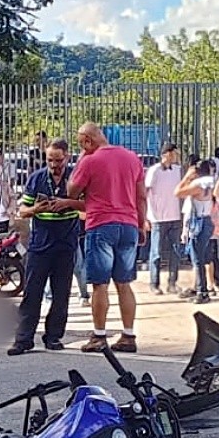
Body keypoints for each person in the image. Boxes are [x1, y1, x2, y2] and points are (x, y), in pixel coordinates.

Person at [68, 123, 146, 354]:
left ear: (87, 140)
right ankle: (129, 335)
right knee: (124, 283)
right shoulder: (132, 158)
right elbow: (140, 196)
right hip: (129, 224)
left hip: (101, 224)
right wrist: (141, 225)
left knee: (99, 284)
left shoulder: (90, 161)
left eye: (81, 143)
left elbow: (71, 191)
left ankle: (99, 335)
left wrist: (81, 160)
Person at [8, 140, 80, 355]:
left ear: (66, 157)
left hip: (65, 244)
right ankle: (23, 339)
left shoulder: (75, 178)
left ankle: (54, 337)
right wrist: (35, 208)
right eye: (50, 160)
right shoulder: (37, 178)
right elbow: (22, 210)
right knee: (32, 293)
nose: (53, 165)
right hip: (40, 245)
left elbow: (88, 204)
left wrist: (66, 203)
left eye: (58, 160)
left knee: (61, 294)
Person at [144, 144, 184, 296]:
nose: (175, 156)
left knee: (175, 251)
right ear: (166, 154)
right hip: (158, 217)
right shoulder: (155, 170)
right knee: (156, 253)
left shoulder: (177, 170)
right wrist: (147, 215)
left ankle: (172, 282)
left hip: (174, 216)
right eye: (173, 154)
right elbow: (146, 192)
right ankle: (154, 283)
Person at [178, 160, 217, 305]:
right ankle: (201, 289)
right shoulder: (211, 181)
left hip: (198, 221)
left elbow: (178, 192)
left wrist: (187, 177)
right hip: (207, 219)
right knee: (202, 257)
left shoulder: (198, 184)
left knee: (197, 259)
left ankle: (202, 291)